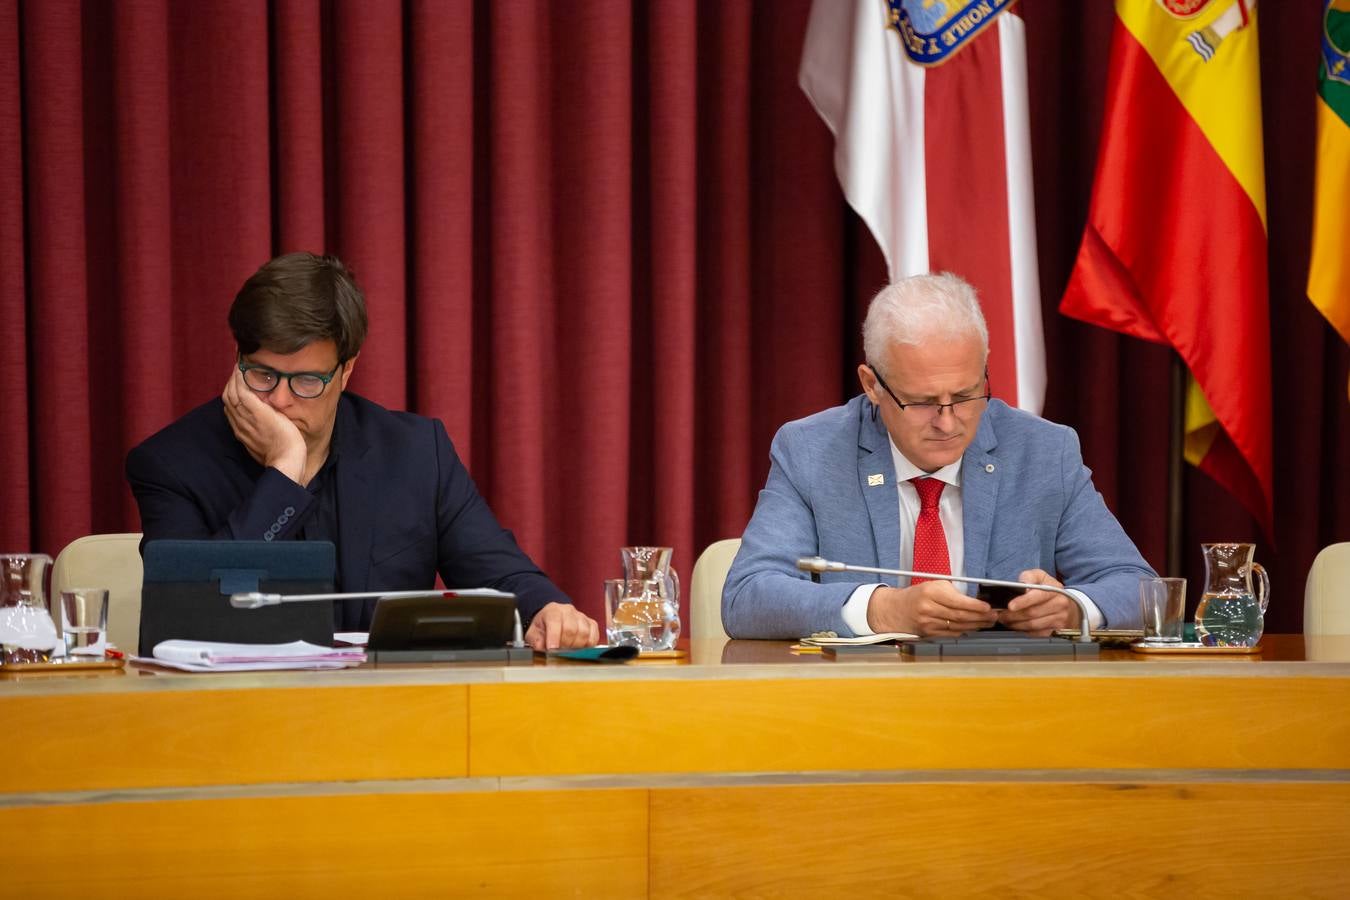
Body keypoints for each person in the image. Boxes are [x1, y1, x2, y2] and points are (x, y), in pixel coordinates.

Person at [126, 252, 598, 650]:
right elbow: (185, 618)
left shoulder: (415, 453)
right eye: (262, 374)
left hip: (387, 723)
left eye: (308, 380)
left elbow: (496, 568)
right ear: (238, 361)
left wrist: (546, 607)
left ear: (346, 371)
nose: (281, 399)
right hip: (236, 725)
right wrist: (284, 476)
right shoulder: (172, 464)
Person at [722, 272, 1154, 640]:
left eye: (966, 396)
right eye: (923, 402)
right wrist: (884, 609)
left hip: (1007, 710)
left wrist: (1072, 609)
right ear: (871, 385)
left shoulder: (1043, 451)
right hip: (858, 709)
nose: (949, 423)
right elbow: (748, 596)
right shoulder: (812, 451)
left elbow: (1141, 589)